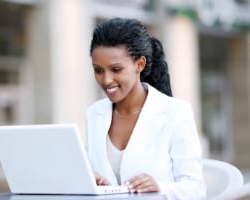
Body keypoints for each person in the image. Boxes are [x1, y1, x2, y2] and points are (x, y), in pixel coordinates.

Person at [85, 18, 206, 199]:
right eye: (98, 70)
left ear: (139, 64)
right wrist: (96, 183)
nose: (106, 80)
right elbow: (98, 179)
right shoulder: (94, 114)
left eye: (116, 69)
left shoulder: (175, 112)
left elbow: (197, 189)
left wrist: (160, 187)